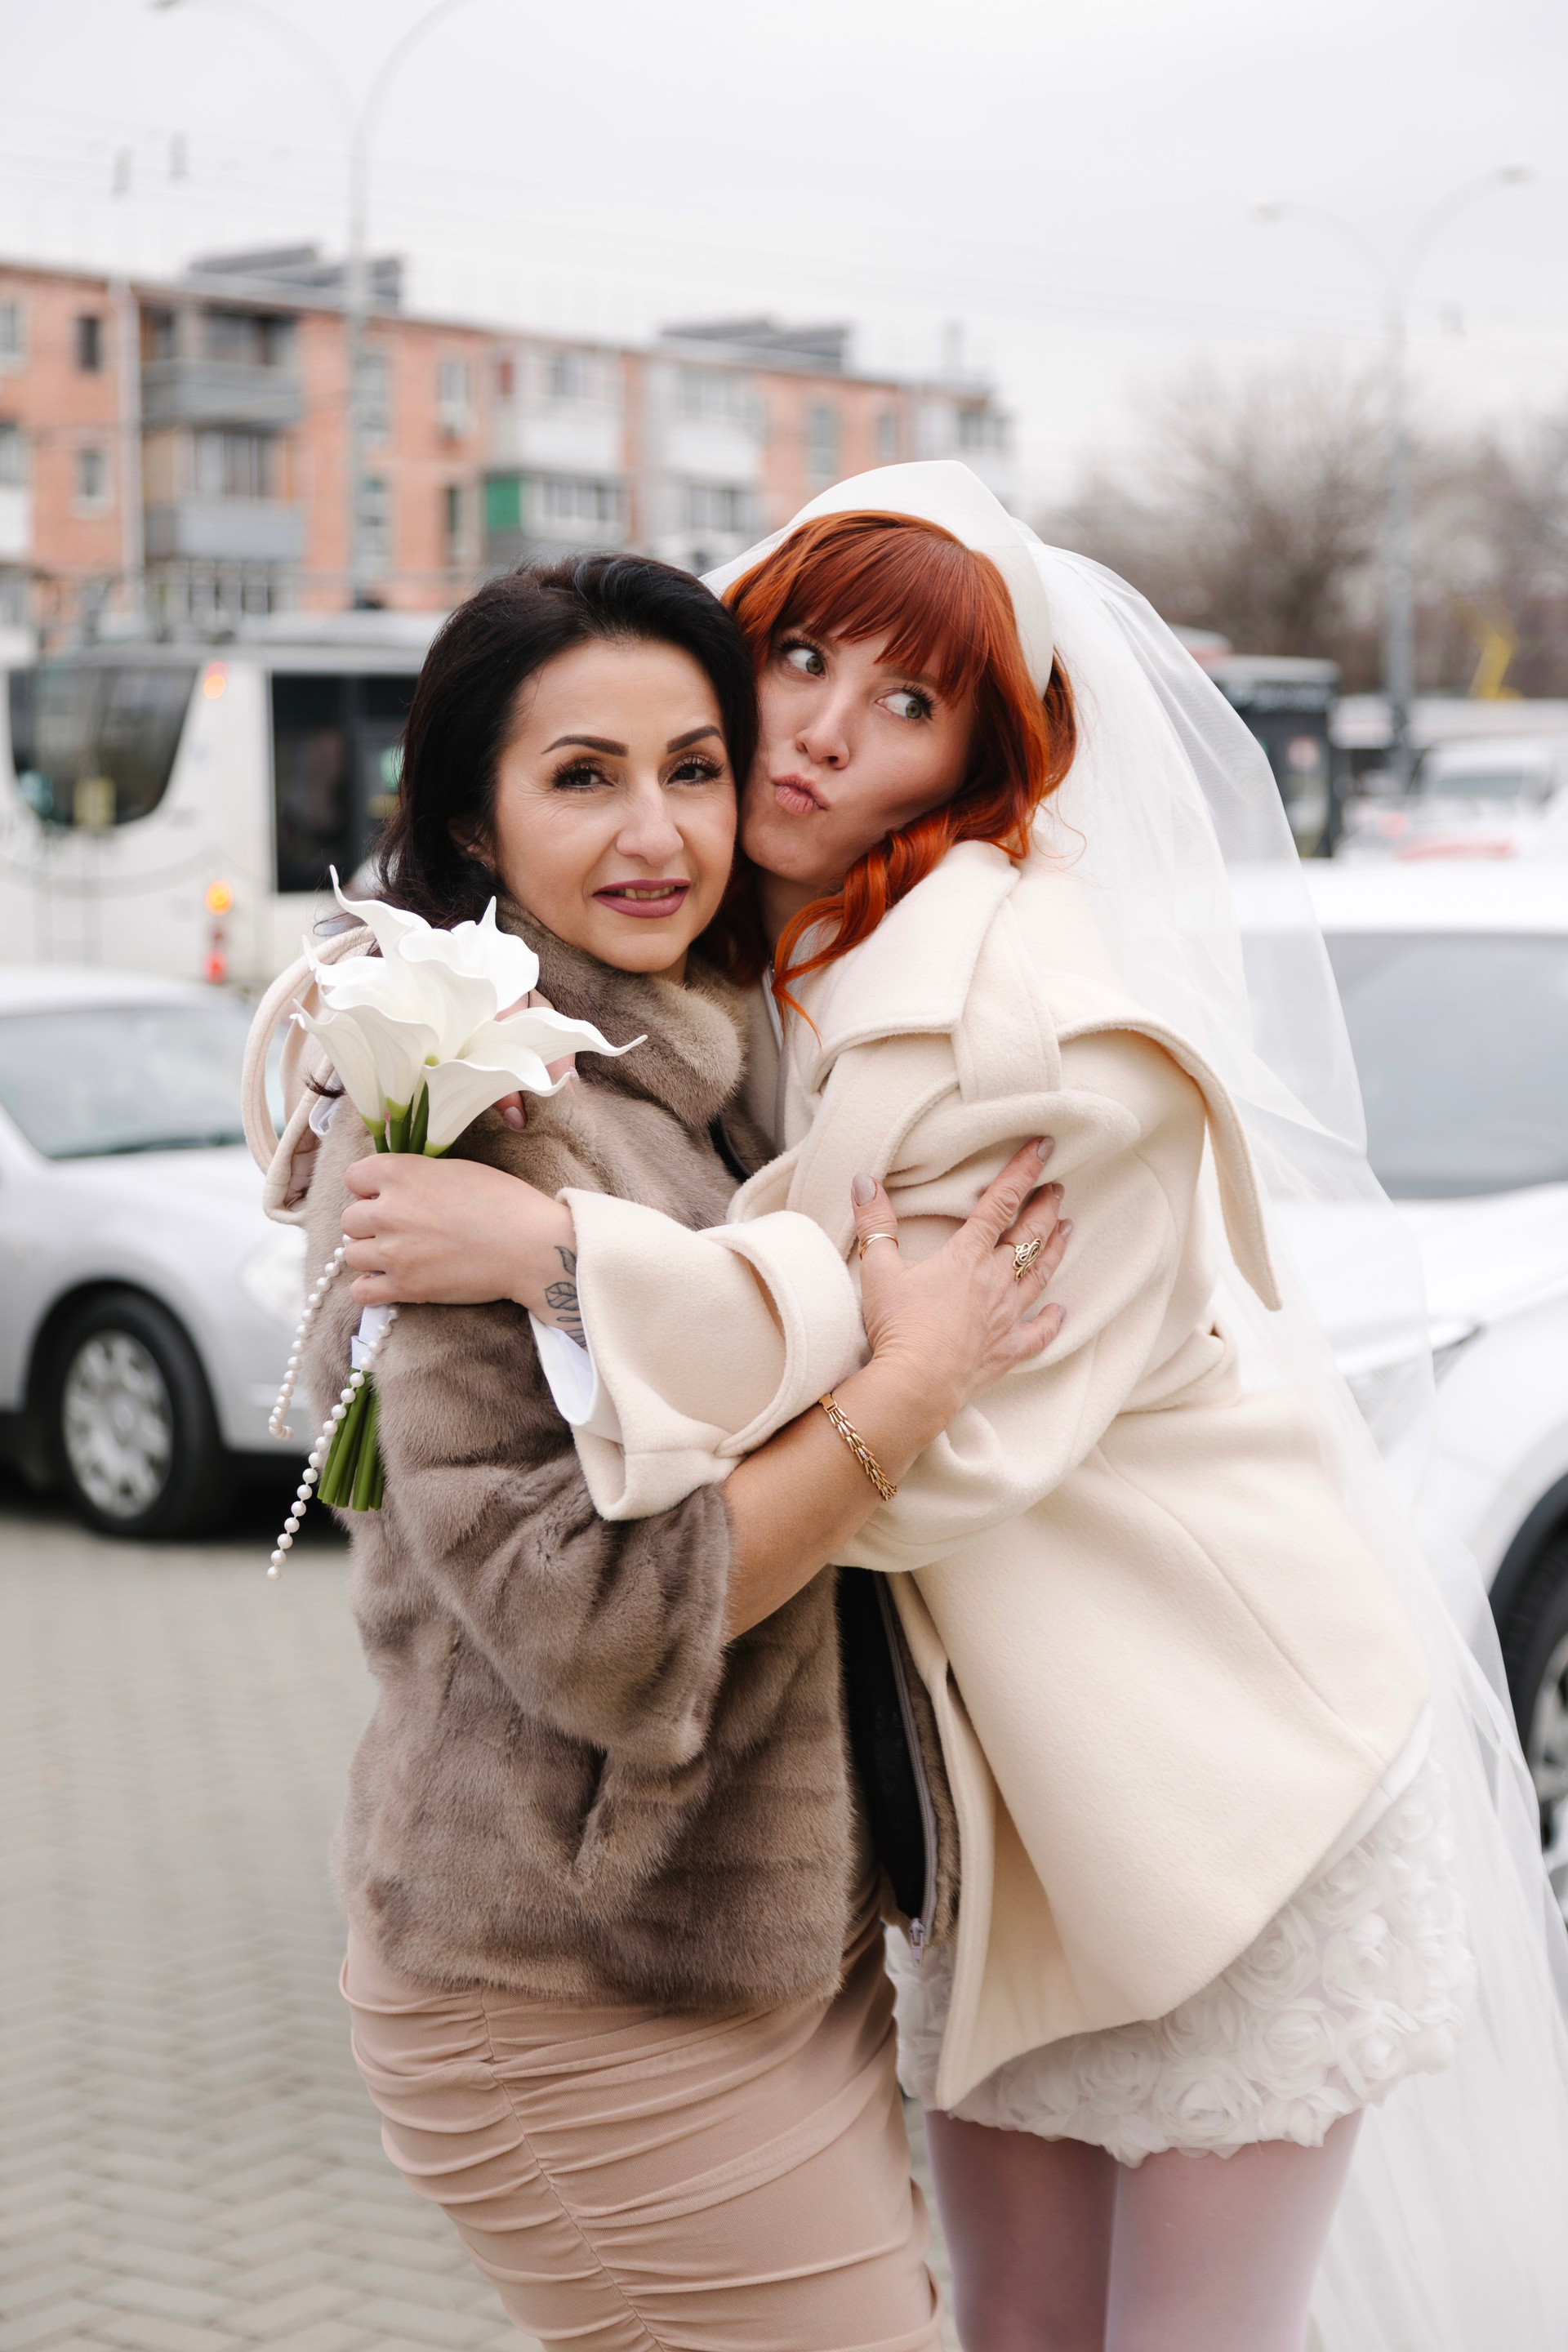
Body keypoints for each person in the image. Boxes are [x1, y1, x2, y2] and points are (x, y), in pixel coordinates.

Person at [338, 466, 1568, 2350]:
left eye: (907, 701)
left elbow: (921, 1459)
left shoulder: (1056, 1042)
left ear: (983, 764)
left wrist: (561, 1252)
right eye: (800, 659)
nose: (825, 730)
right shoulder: (749, 975)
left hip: (1210, 1801)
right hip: (1008, 1846)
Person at [242, 550, 1071, 2352]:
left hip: (765, 1954)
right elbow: (601, 1626)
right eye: (583, 776)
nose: (657, 833)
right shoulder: (459, 1114)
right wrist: (907, 1388)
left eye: (694, 768)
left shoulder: (710, 1059)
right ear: (474, 816)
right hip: (579, 1989)